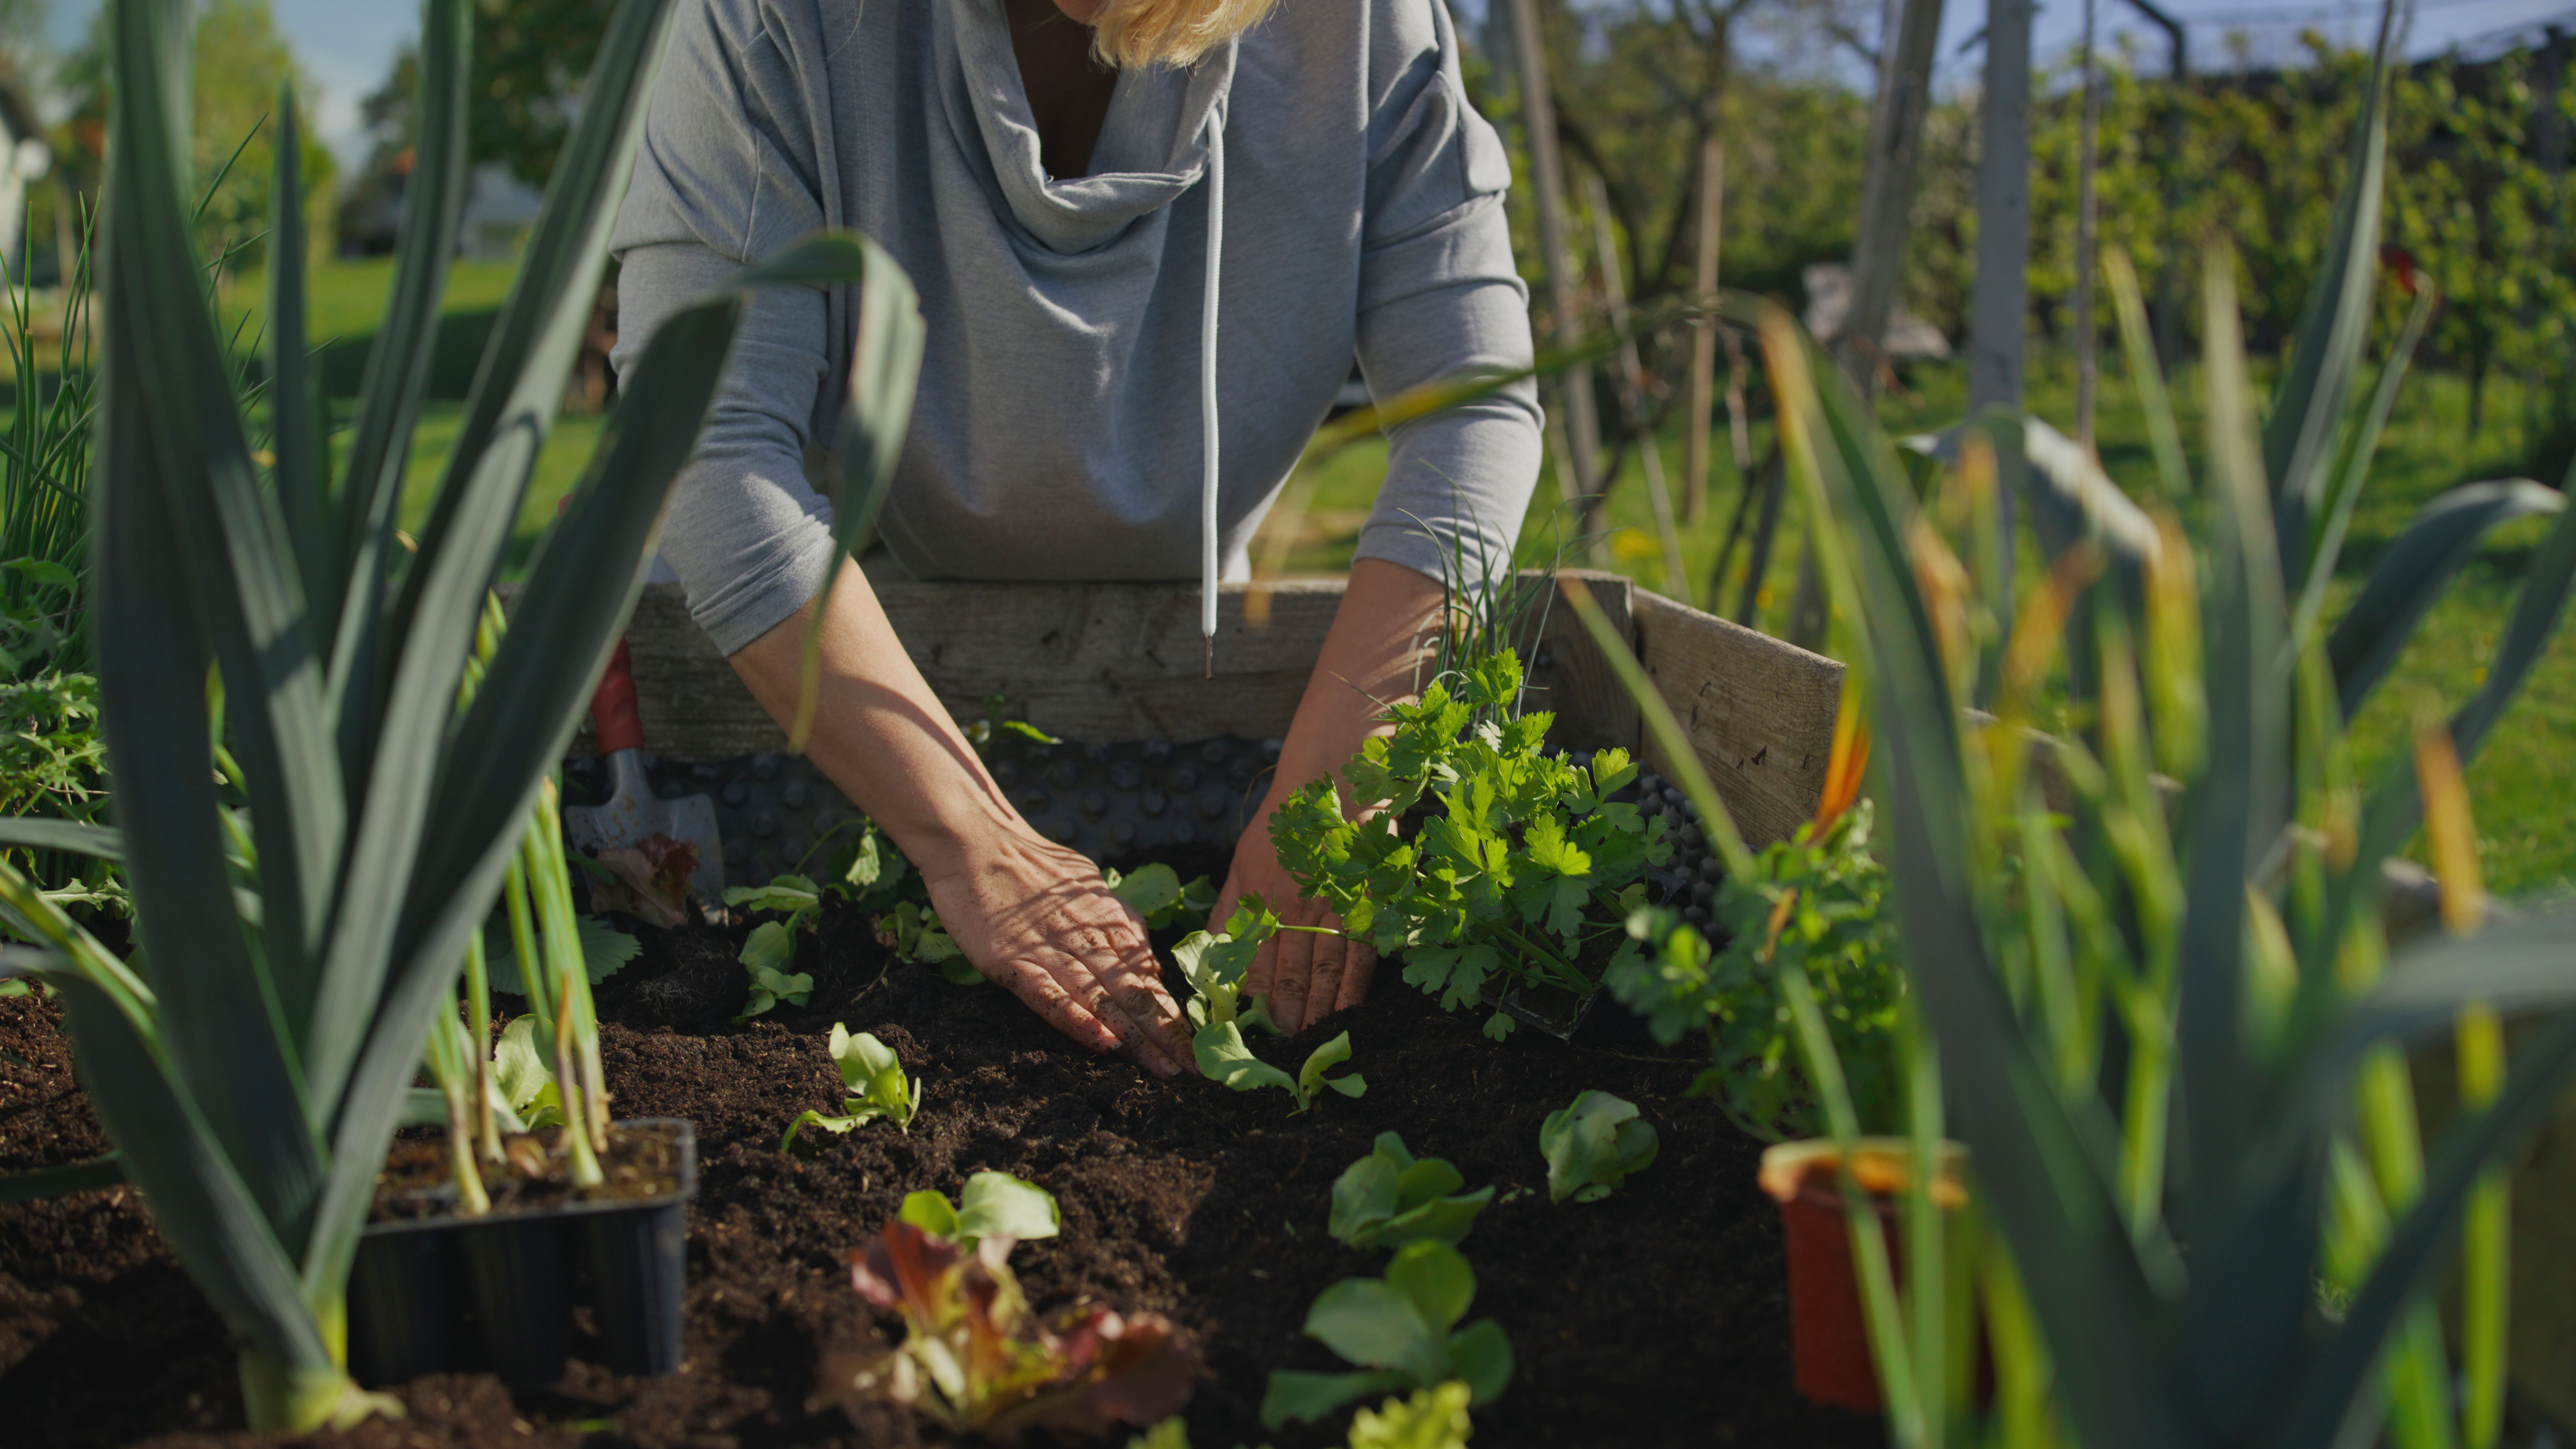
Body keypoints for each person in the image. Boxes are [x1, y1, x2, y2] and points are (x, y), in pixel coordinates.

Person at [608, 0, 1541, 1076]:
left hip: (1196, 666)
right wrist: (978, 849)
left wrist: (1329, 806)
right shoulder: (776, 22)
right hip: (823, 666)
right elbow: (709, 444)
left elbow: (1470, 413)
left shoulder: (1364, 27)